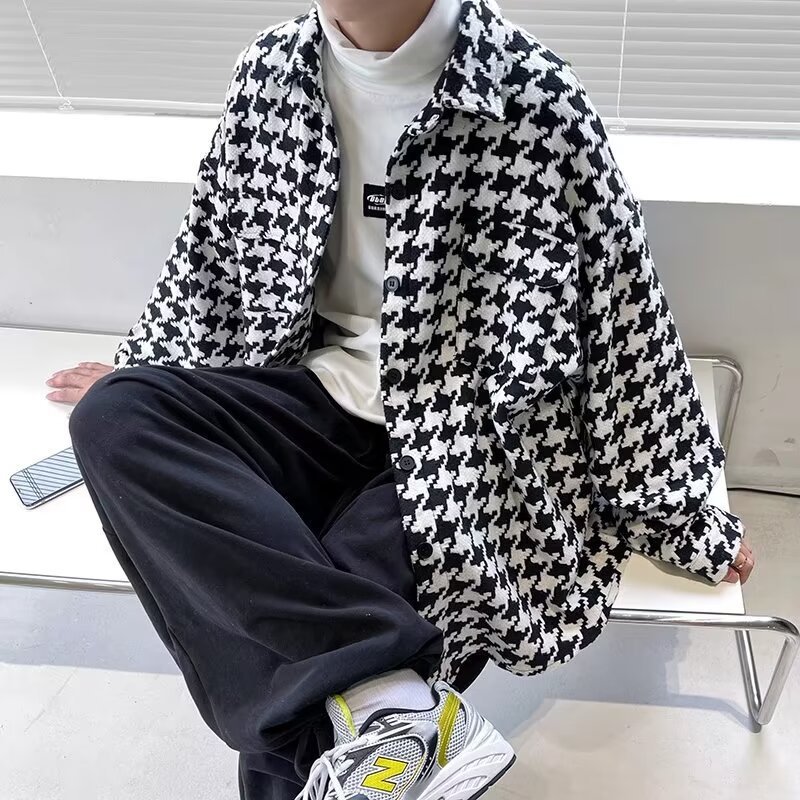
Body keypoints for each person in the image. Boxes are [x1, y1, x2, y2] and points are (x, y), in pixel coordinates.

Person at [51, 1, 756, 799]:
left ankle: (382, 709)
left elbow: (624, 318)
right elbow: (211, 256)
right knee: (117, 414)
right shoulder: (273, 73)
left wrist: (677, 513)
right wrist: (151, 365)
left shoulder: (530, 96)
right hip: (315, 392)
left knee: (300, 705)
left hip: (471, 438)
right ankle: (397, 707)